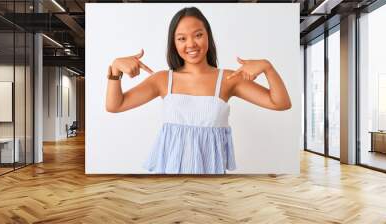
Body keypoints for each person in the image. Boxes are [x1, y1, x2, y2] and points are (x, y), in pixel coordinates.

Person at [106, 7, 291, 174]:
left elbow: (280, 103)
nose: (191, 44)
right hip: (169, 177)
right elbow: (115, 105)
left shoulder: (228, 79)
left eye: (198, 35)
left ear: (208, 36)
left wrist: (268, 68)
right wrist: (115, 70)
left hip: (210, 179)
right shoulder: (163, 79)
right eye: (182, 38)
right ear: (174, 43)